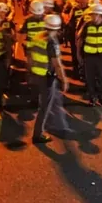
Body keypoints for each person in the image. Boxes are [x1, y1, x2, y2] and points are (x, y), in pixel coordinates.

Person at [29, 14, 72, 144]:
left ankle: (46, 126)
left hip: (36, 74)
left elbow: (30, 56)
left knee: (45, 103)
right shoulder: (52, 42)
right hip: (46, 78)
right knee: (45, 106)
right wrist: (64, 80)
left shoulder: (37, 36)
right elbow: (57, 64)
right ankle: (38, 134)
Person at [76, 4, 102, 106]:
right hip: (89, 56)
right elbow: (79, 40)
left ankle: (101, 96)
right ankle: (92, 98)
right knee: (90, 78)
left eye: (94, 14)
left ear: (99, 14)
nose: (92, 16)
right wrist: (78, 55)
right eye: (91, 14)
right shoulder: (87, 25)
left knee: (101, 77)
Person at [63, 0, 89, 78]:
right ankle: (76, 70)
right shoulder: (73, 6)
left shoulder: (90, 7)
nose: (83, 0)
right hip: (74, 34)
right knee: (75, 53)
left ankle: (86, 71)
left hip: (87, 35)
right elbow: (67, 19)